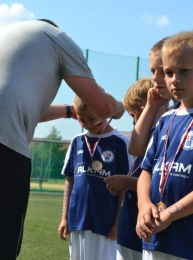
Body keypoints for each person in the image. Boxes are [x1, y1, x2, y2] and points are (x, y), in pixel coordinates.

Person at [0, 19, 125, 260]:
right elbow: (102, 106)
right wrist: (119, 107)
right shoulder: (57, 37)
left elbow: (13, 103)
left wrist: (67, 110)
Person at [136, 31, 193, 260]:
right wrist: (143, 204)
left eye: (184, 71)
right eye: (169, 72)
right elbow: (146, 170)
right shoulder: (165, 120)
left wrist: (170, 214)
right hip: (155, 240)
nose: (173, 79)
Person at [58, 89, 133, 260]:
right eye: (82, 120)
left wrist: (117, 223)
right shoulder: (77, 141)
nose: (88, 124)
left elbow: (125, 188)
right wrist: (65, 217)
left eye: (92, 119)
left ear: (104, 111)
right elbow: (70, 181)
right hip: (77, 222)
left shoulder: (121, 142)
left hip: (106, 225)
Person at [104, 78, 165, 260]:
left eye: (132, 115)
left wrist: (127, 182)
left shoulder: (162, 137)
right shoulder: (142, 144)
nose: (133, 123)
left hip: (144, 235)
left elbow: (160, 186)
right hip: (129, 231)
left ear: (143, 107)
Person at [129, 36, 179, 157]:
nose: (155, 78)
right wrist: (150, 107)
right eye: (153, 71)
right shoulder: (169, 115)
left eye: (164, 71)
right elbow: (136, 149)